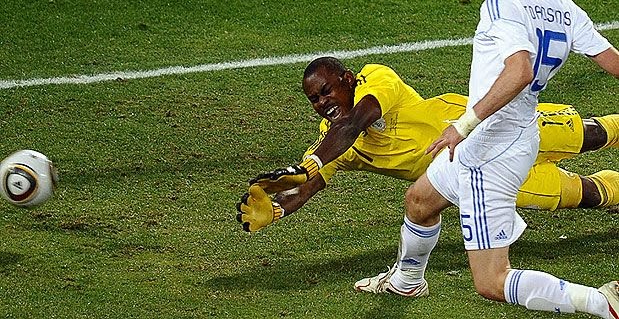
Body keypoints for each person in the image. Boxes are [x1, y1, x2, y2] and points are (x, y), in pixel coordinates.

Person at [241, 0, 619, 317]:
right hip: (502, 136)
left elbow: (519, 71)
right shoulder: (563, 7)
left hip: (488, 146)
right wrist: (284, 200)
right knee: (420, 201)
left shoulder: (499, 6)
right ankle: (407, 281)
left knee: (491, 280)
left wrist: (463, 126)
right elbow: (612, 62)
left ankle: (603, 303)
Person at [236, 58, 619, 233]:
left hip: (489, 126)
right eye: (314, 100)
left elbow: (354, 124)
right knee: (579, 194)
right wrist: (278, 206)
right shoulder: (331, 141)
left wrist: (310, 163)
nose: (323, 103)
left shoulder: (375, 79)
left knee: (588, 135)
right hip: (479, 177)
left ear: (347, 79)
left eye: (326, 91)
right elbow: (310, 184)